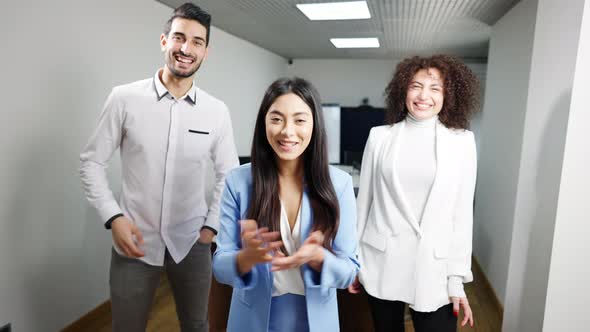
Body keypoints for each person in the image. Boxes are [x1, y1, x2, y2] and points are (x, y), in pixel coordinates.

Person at [79, 3, 238, 331]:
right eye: (179, 37)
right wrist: (114, 217)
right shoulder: (124, 99)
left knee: (197, 325)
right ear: (164, 41)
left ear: (206, 52)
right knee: (127, 326)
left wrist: (211, 228)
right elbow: (92, 162)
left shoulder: (216, 111)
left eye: (196, 41)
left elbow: (229, 173)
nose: (186, 48)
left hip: (193, 241)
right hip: (134, 241)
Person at [212, 77, 359, 332]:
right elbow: (220, 266)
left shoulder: (340, 184)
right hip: (252, 320)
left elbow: (349, 271)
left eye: (300, 120)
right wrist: (246, 258)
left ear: (314, 125)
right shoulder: (238, 181)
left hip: (316, 321)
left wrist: (319, 258)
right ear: (264, 123)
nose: (287, 131)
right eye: (277, 119)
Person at [349, 54, 479, 332]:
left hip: (434, 269)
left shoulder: (462, 142)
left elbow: (462, 214)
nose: (424, 95)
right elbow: (364, 204)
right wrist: (353, 259)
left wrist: (456, 277)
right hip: (381, 262)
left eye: (435, 88)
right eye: (416, 86)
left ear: (448, 95)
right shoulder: (380, 136)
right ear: (403, 90)